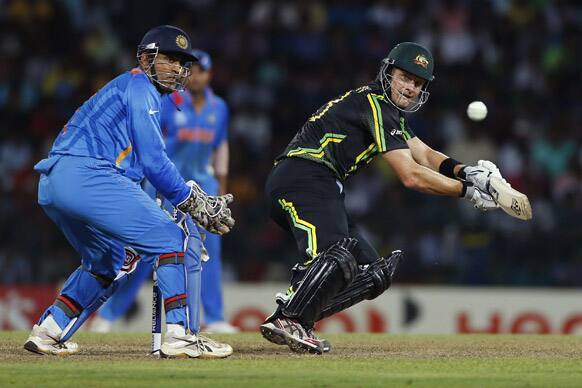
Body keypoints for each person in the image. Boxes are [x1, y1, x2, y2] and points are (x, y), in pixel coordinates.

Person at [259, 42, 505, 354]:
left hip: (320, 184)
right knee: (336, 254)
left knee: (372, 271)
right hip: (305, 177)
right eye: (405, 77)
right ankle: (290, 318)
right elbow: (411, 175)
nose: (410, 87)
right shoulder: (373, 102)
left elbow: (424, 153)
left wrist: (468, 172)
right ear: (388, 73)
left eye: (417, 83)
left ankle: (298, 315)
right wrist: (468, 193)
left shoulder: (388, 114)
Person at [23, 25, 235, 358]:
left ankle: (50, 330)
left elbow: (132, 166)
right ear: (146, 58)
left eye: (182, 62)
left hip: (56, 182)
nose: (178, 69)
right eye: (169, 59)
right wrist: (190, 201)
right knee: (171, 236)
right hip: (89, 176)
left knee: (108, 261)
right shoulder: (140, 86)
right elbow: (153, 160)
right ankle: (182, 334)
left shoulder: (128, 89)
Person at [91, 50, 238, 334]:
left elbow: (221, 146)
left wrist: (221, 186)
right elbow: (146, 142)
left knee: (209, 253)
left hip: (204, 187)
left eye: (202, 71)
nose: (196, 76)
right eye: (191, 70)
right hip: (166, 185)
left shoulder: (219, 107)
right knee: (145, 251)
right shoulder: (170, 102)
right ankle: (109, 314)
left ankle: (216, 317)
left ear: (210, 75)